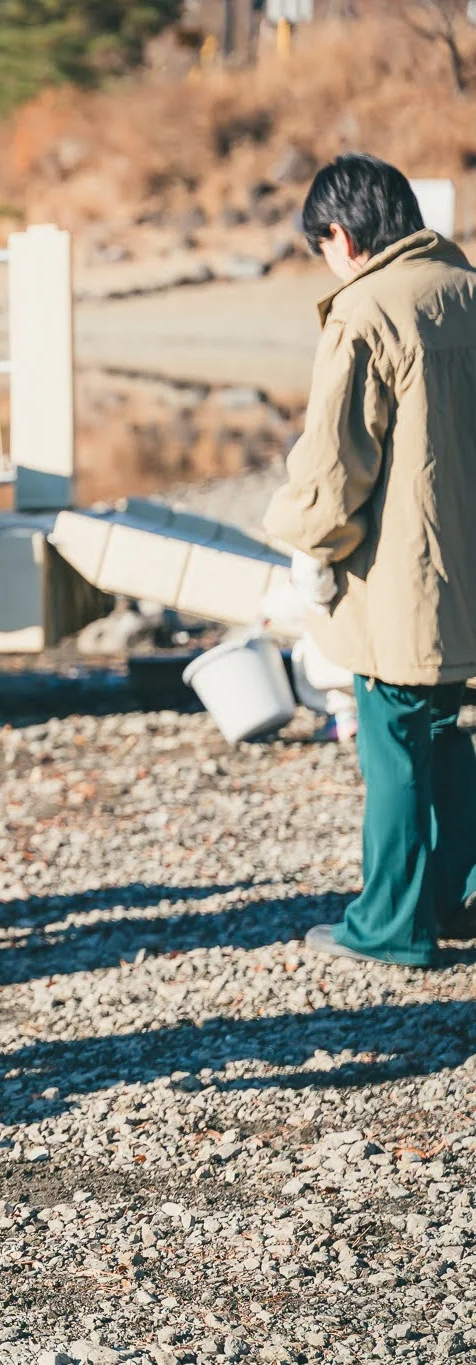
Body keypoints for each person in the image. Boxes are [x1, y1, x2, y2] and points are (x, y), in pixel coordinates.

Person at [264, 153, 476, 967]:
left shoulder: (365, 311)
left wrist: (310, 548)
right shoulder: (467, 290)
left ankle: (391, 924)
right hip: (469, 574)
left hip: (405, 580)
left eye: (321, 246)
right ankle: (459, 899)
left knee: (392, 737)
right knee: (446, 731)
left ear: (343, 236)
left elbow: (336, 463)